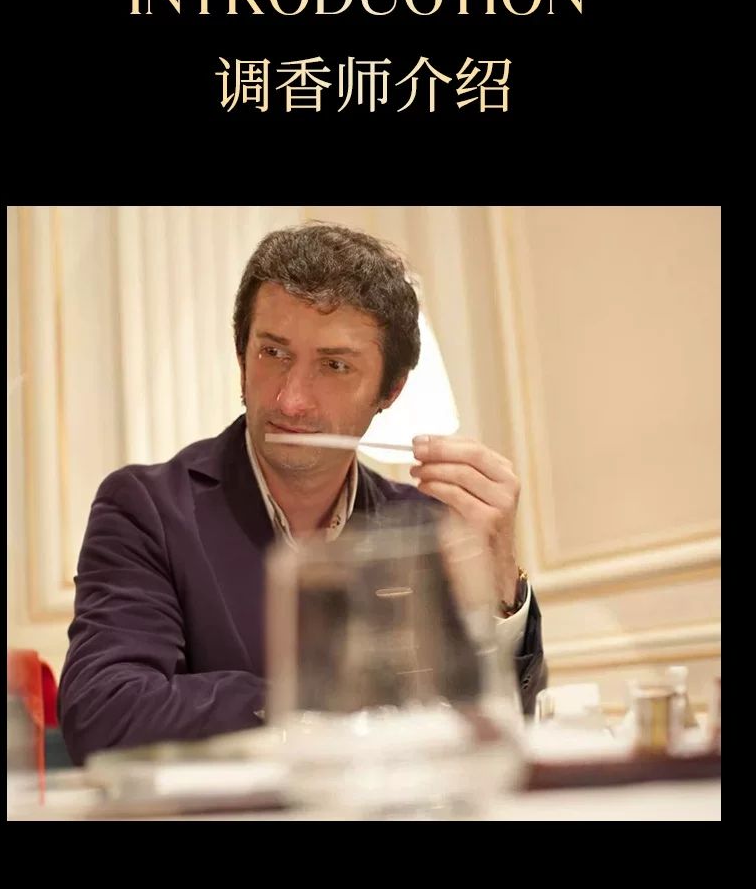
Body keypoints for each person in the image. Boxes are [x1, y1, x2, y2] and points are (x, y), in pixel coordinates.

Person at [59, 222, 547, 764]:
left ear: (390, 390)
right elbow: (104, 711)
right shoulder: (146, 508)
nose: (291, 401)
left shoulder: (422, 526)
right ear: (241, 357)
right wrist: (316, 710)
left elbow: (498, 731)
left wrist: (500, 587)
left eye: (335, 366)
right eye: (273, 353)